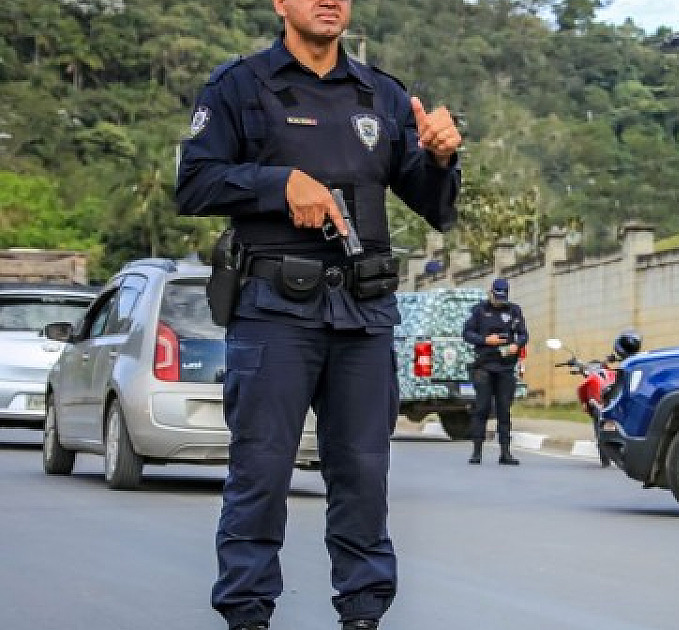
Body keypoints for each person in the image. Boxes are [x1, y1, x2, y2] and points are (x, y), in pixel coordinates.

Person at [174, 0, 461, 628]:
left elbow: (434, 205)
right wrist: (280, 184)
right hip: (274, 312)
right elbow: (194, 181)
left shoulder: (381, 95)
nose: (329, 1)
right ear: (281, 4)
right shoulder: (239, 86)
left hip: (363, 314)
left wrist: (440, 158)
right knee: (262, 471)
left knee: (362, 475)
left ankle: (363, 614)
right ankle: (248, 615)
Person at [462, 278, 528, 466]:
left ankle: (505, 452)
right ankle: (477, 452)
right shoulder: (479, 310)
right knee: (481, 408)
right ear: (491, 292)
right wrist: (485, 340)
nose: (499, 300)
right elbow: (467, 333)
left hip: (506, 366)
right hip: (484, 366)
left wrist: (517, 344)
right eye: (496, 296)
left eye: (503, 297)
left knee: (504, 410)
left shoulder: (514, 310)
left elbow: (524, 334)